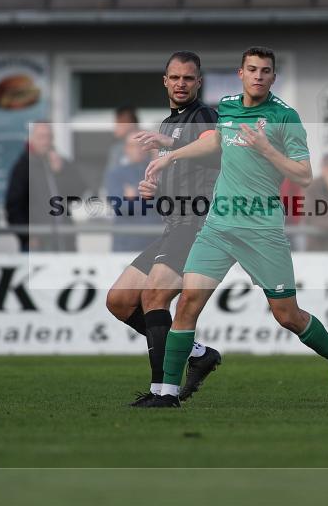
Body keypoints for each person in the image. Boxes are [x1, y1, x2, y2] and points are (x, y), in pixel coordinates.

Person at [143, 46, 328, 409]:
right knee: (187, 303)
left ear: (274, 78)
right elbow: (213, 142)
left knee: (287, 315)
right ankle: (165, 395)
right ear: (240, 74)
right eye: (252, 69)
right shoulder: (226, 106)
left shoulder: (284, 117)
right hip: (218, 226)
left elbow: (304, 175)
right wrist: (171, 156)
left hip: (261, 229)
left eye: (265, 71)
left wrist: (266, 149)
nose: (258, 76)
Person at [105, 51, 222, 406]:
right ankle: (197, 353)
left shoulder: (204, 115)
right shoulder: (168, 123)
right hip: (174, 224)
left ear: (198, 82)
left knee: (154, 296)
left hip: (197, 224)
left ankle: (163, 393)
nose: (181, 84)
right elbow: (181, 171)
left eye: (189, 78)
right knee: (120, 300)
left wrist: (168, 148)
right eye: (175, 77)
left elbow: (215, 148)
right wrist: (154, 190)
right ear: (165, 81)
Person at [5, 121, 88, 252]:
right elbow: (14, 206)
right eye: (41, 137)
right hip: (37, 241)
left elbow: (78, 193)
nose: (45, 142)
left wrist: (61, 173)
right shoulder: (22, 167)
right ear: (31, 139)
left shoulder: (62, 163)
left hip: (64, 239)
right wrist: (27, 236)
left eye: (48, 137)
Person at [104, 132, 163, 252]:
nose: (138, 149)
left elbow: (164, 206)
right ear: (126, 149)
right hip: (126, 243)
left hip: (155, 242)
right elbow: (122, 207)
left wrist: (134, 193)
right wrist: (149, 195)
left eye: (141, 145)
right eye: (133, 146)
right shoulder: (115, 174)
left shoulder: (158, 172)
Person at [101, 104, 139, 192]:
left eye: (119, 123)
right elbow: (108, 180)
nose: (115, 127)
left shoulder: (148, 145)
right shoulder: (116, 149)